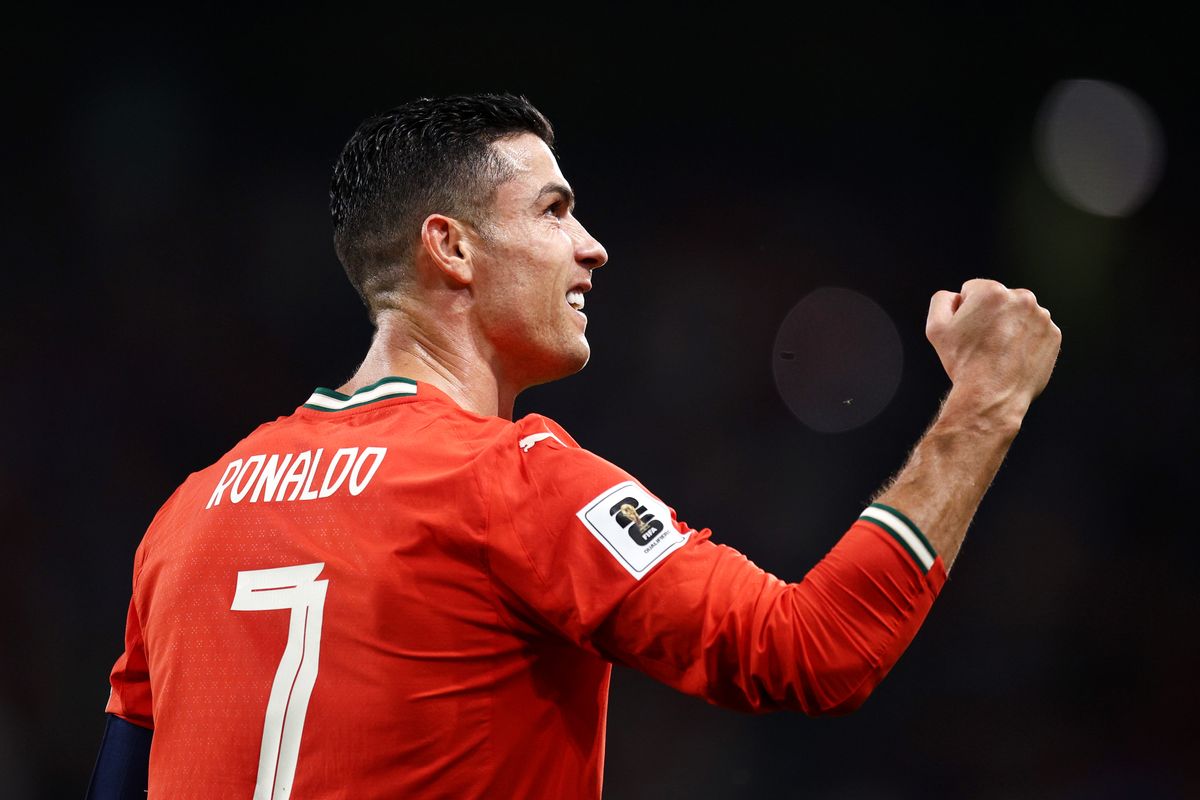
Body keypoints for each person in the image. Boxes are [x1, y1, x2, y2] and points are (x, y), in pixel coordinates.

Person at [88, 93, 1061, 799]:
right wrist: (986, 402)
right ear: (451, 248)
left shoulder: (186, 515)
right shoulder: (508, 480)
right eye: (553, 211)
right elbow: (811, 650)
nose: (591, 245)